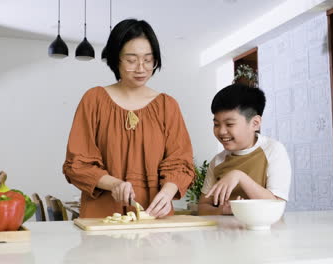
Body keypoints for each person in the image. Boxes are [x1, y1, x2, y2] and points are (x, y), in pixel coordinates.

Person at [63, 19, 195, 218]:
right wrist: (114, 184)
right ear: (116, 59)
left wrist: (167, 193)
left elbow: (180, 163)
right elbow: (78, 163)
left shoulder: (168, 106)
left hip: (154, 219)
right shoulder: (94, 100)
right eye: (132, 60)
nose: (141, 68)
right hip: (103, 218)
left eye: (148, 60)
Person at [198, 83, 291, 215]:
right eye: (216, 124)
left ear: (255, 123)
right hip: (226, 233)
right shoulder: (218, 161)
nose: (222, 131)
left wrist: (240, 177)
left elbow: (276, 206)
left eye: (229, 124)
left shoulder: (273, 150)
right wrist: (222, 210)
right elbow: (202, 207)